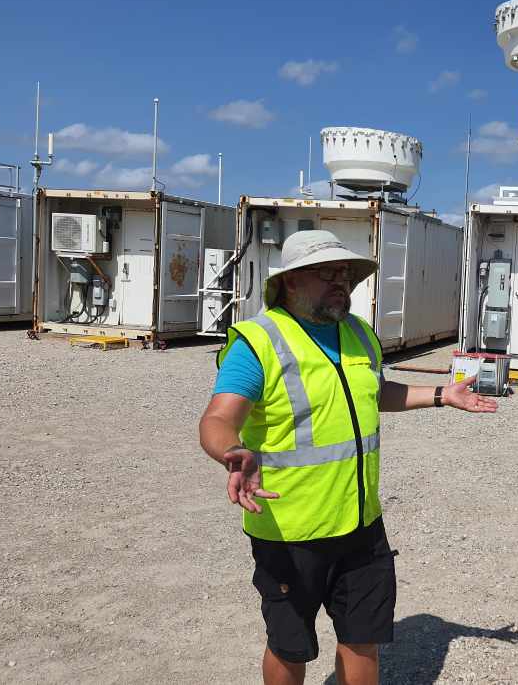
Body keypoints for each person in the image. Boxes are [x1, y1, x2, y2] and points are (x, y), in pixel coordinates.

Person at [199, 229, 497, 685]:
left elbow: (375, 392)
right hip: (290, 531)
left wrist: (441, 394)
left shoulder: (359, 334)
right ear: (292, 281)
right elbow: (219, 417)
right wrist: (232, 451)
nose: (342, 282)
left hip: (361, 526)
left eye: (346, 273)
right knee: (289, 646)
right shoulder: (258, 342)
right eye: (328, 273)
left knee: (363, 638)